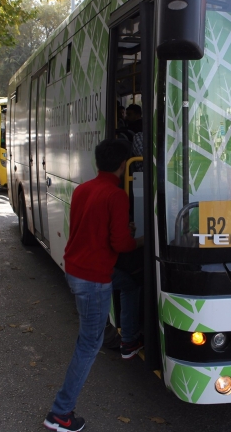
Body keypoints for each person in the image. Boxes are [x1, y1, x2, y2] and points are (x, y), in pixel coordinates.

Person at [44, 139, 143, 432]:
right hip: (93, 279)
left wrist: (123, 231)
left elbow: (88, 230)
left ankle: (128, 343)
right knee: (89, 344)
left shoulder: (83, 189)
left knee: (129, 285)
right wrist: (139, 239)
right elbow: (121, 244)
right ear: (123, 164)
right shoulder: (116, 195)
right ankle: (60, 413)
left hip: (77, 269)